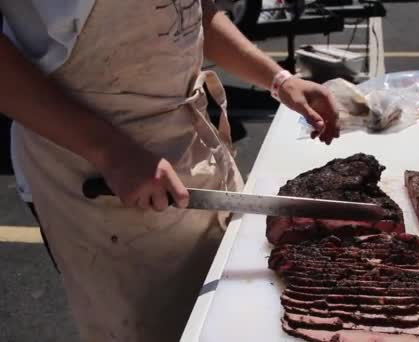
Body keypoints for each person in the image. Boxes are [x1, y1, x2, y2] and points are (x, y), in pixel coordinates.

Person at [0, 1, 339, 341]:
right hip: (101, 182)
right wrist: (110, 151)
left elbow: (191, 12)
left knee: (225, 317)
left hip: (193, 152)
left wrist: (278, 79)